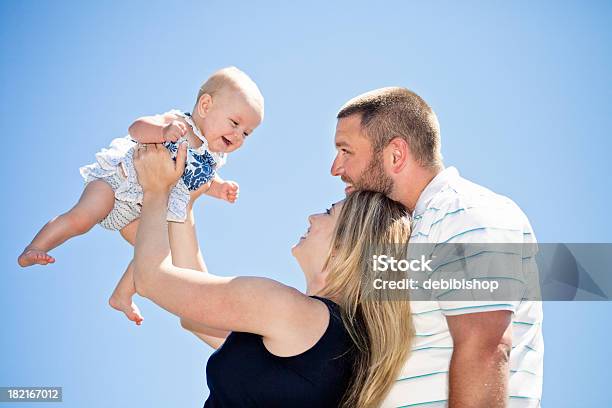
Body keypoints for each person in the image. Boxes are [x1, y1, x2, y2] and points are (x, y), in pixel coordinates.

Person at [130, 142, 415, 407]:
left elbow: (151, 279)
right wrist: (184, 205)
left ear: (346, 245)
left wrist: (155, 189)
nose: (312, 218)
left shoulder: (290, 311)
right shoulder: (339, 344)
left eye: (328, 213)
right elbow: (194, 315)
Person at [331, 87, 544, 407]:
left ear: (395, 155)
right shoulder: (412, 231)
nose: (336, 168)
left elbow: (486, 349)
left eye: (346, 151)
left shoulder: (469, 213)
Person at [17, 67, 264, 325]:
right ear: (205, 105)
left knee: (154, 252)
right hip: (117, 184)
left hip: (141, 210)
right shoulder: (178, 122)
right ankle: (36, 247)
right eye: (235, 123)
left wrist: (220, 189)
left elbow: (201, 181)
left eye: (246, 133)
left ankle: (121, 295)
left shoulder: (213, 160)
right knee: (82, 217)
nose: (238, 136)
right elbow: (136, 129)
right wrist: (162, 132)